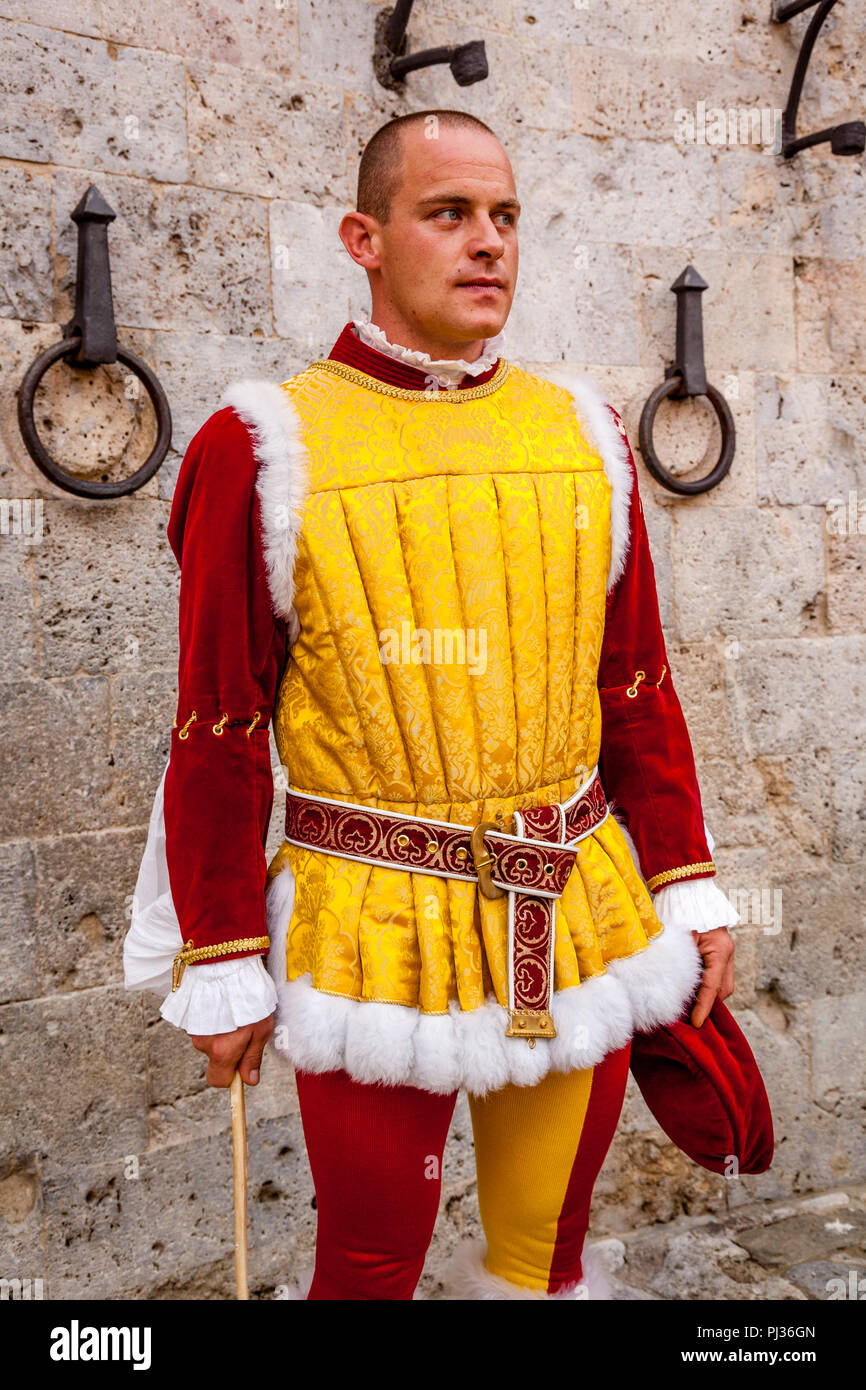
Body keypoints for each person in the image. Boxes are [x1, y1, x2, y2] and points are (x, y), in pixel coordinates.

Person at [124, 109, 738, 1300]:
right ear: (364, 235)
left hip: (577, 911)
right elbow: (218, 723)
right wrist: (224, 957)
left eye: (503, 216)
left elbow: (636, 689)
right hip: (374, 925)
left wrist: (688, 883)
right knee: (366, 1265)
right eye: (448, 213)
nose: (486, 243)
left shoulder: (583, 436)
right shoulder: (262, 442)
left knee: (541, 1257)